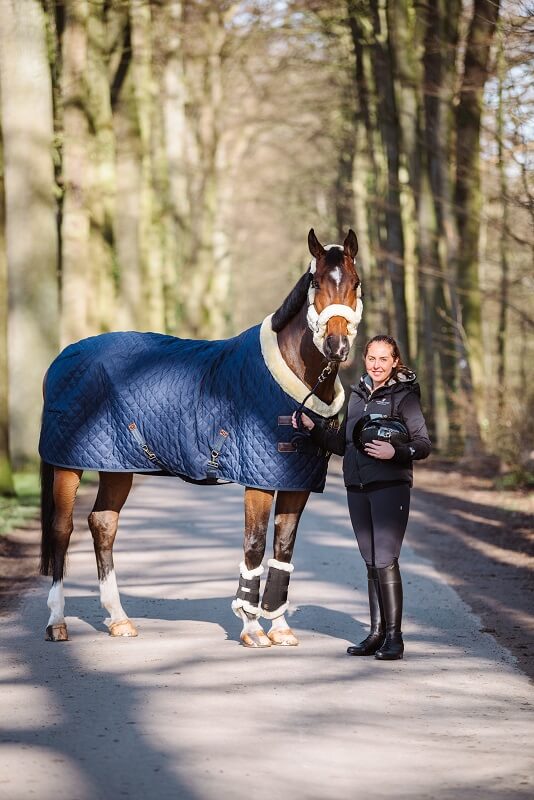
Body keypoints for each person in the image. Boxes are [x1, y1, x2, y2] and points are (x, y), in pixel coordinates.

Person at [292, 335, 431, 661]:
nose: (377, 365)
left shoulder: (404, 396)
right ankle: (376, 633)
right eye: (372, 358)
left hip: (390, 486)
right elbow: (342, 444)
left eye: (384, 359)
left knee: (385, 559)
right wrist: (314, 428)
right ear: (365, 359)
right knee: (371, 561)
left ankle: (394, 639)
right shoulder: (355, 395)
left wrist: (394, 451)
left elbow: (423, 444)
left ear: (395, 362)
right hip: (357, 486)